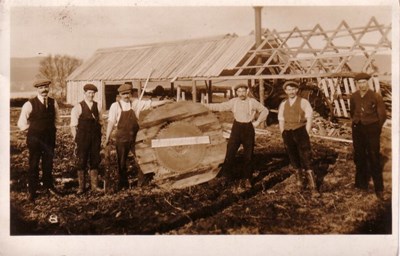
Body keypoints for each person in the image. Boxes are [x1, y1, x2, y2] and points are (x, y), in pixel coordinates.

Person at [104, 83, 168, 190]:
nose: (126, 96)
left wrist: (165, 102)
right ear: (119, 95)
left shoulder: (135, 103)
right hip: (122, 138)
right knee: (122, 162)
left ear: (131, 93)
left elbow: (151, 104)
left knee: (142, 159)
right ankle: (123, 184)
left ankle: (142, 184)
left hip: (135, 137)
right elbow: (111, 122)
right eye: (123, 94)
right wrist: (107, 137)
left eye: (128, 93)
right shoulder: (115, 106)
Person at [206, 84, 269, 189]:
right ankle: (226, 176)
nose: (241, 94)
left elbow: (265, 111)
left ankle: (247, 178)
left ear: (247, 91)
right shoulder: (233, 102)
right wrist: (203, 105)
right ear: (236, 92)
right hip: (236, 128)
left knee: (248, 155)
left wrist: (257, 122)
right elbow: (220, 107)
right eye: (239, 92)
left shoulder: (252, 102)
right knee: (230, 152)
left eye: (243, 91)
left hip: (248, 128)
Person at [17, 79, 62, 201]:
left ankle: (49, 187)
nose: (44, 90)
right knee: (34, 164)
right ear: (37, 89)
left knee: (48, 163)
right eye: (41, 88)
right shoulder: (29, 104)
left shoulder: (53, 102)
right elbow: (21, 124)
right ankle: (32, 191)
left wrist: (50, 131)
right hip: (35, 139)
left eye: (46, 87)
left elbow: (58, 120)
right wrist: (34, 131)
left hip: (49, 139)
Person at [350, 73, 387, 200]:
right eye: (359, 83)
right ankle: (361, 185)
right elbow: (352, 111)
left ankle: (379, 188)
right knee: (359, 156)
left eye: (364, 82)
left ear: (368, 83)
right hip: (357, 128)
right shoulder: (354, 96)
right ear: (357, 84)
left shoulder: (375, 96)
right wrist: (356, 123)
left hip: (372, 129)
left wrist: (376, 129)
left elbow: (382, 115)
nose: (362, 85)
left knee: (373, 157)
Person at [278, 81, 317, 194]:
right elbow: (281, 119)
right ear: (286, 91)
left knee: (306, 157)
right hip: (288, 132)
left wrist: (306, 132)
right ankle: (300, 182)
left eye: (293, 89)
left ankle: (313, 186)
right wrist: (283, 132)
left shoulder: (303, 102)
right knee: (293, 156)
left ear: (297, 90)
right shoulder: (283, 103)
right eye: (288, 90)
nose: (291, 92)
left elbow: (309, 117)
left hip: (300, 131)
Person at [70, 84, 103, 194]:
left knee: (95, 159)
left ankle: (95, 187)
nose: (91, 95)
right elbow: (73, 125)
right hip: (83, 138)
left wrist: (100, 137)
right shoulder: (78, 107)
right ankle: (81, 187)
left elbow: (101, 122)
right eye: (89, 93)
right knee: (82, 161)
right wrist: (76, 140)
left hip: (95, 137)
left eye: (93, 93)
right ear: (84, 93)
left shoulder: (98, 106)